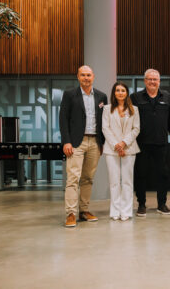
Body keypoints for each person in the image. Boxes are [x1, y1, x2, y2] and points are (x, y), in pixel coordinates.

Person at [59, 65, 108, 228]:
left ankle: (84, 211)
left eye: (88, 75)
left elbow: (104, 121)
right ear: (78, 77)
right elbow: (63, 119)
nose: (86, 78)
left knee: (88, 178)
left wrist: (102, 143)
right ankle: (71, 213)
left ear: (93, 76)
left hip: (95, 142)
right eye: (83, 75)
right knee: (73, 178)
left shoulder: (101, 96)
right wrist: (66, 141)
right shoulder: (69, 95)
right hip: (75, 143)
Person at [131, 69, 170, 217]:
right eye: (149, 79)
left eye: (155, 79)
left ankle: (162, 204)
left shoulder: (167, 97)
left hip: (161, 143)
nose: (152, 82)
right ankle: (141, 204)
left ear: (159, 81)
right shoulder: (135, 97)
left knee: (162, 175)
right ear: (145, 81)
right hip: (141, 143)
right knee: (141, 174)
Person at [102, 82, 140, 221]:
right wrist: (117, 145)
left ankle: (126, 211)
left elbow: (136, 129)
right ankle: (115, 211)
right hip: (112, 150)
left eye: (123, 90)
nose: (120, 93)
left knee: (127, 182)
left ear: (126, 93)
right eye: (117, 90)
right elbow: (105, 128)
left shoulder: (134, 109)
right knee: (114, 182)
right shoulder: (107, 109)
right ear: (114, 93)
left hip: (129, 148)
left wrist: (124, 143)